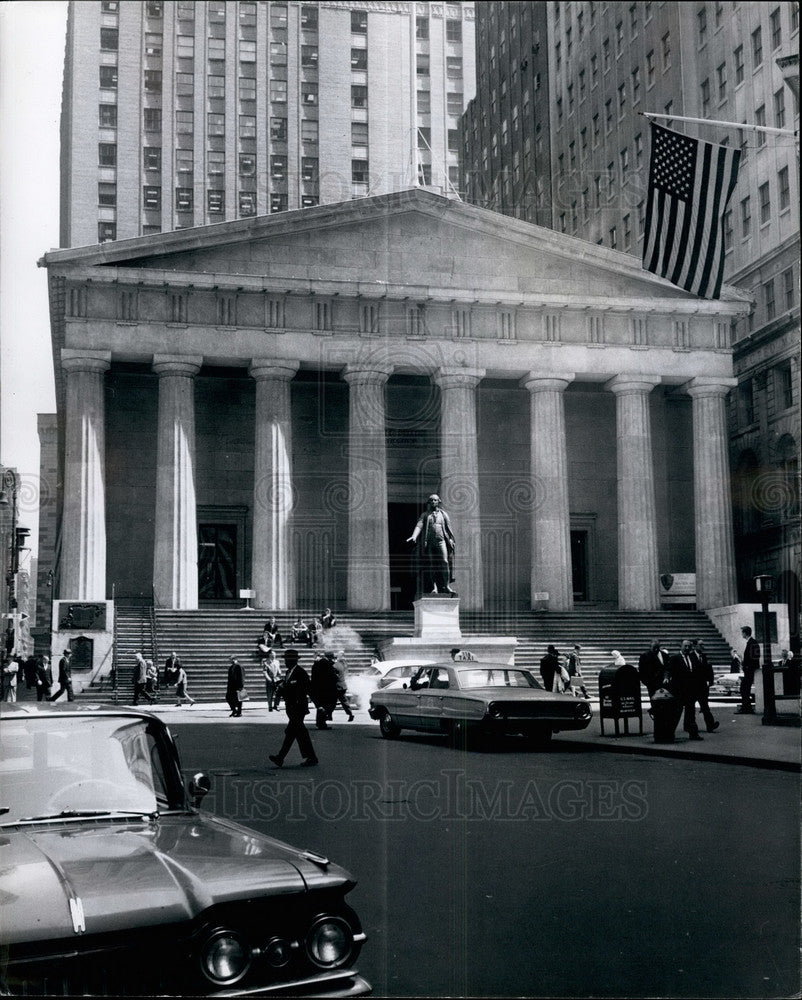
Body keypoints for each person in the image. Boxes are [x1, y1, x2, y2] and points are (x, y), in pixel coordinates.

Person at [269, 648, 318, 767]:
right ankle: (312, 758)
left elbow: (309, 689)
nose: (285, 662)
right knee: (300, 733)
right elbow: (289, 689)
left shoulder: (300, 673)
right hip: (291, 708)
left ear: (293, 661)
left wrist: (319, 705)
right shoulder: (288, 672)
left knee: (291, 732)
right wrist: (281, 688)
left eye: (287, 660)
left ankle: (280, 757)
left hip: (298, 708)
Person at [406, 493, 456, 596]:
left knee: (445, 561)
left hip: (441, 541)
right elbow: (419, 525)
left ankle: (446, 586)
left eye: (435, 500)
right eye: (431, 500)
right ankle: (434, 587)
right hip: (429, 542)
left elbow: (448, 528)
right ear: (429, 502)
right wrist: (414, 536)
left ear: (439, 501)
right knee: (431, 564)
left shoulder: (444, 514)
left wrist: (450, 539)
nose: (433, 502)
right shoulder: (425, 515)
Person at [669, 638, 704, 741]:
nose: (687, 648)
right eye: (685, 646)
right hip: (679, 691)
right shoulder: (675, 658)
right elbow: (669, 669)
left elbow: (697, 672)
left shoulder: (693, 657)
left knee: (691, 714)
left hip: (690, 691)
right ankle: (670, 733)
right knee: (676, 713)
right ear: (681, 646)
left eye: (689, 646)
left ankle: (693, 734)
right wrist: (667, 678)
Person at [690, 639, 719, 733]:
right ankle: (689, 726)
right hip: (693, 686)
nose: (702, 647)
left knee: (705, 707)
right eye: (700, 645)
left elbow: (709, 670)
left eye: (703, 645)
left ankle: (710, 725)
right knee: (690, 707)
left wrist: (710, 681)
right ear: (695, 646)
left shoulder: (704, 657)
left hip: (702, 687)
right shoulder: (690, 657)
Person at [310, 649, 339, 729]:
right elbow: (332, 677)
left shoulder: (317, 664)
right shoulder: (328, 664)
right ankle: (323, 721)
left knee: (321, 705)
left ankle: (321, 723)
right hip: (327, 688)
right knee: (329, 704)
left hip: (317, 687)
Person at [737, 625, 760, 714]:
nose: (741, 634)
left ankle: (746, 708)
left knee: (744, 688)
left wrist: (747, 666)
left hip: (749, 670)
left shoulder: (752, 642)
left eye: (742, 632)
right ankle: (746, 707)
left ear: (745, 633)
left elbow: (755, 657)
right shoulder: (751, 642)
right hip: (748, 670)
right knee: (744, 689)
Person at [333, 649, 355, 721]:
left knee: (332, 701)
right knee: (343, 701)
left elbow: (335, 676)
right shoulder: (342, 664)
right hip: (342, 685)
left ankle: (329, 715)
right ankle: (350, 714)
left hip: (337, 686)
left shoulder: (336, 665)